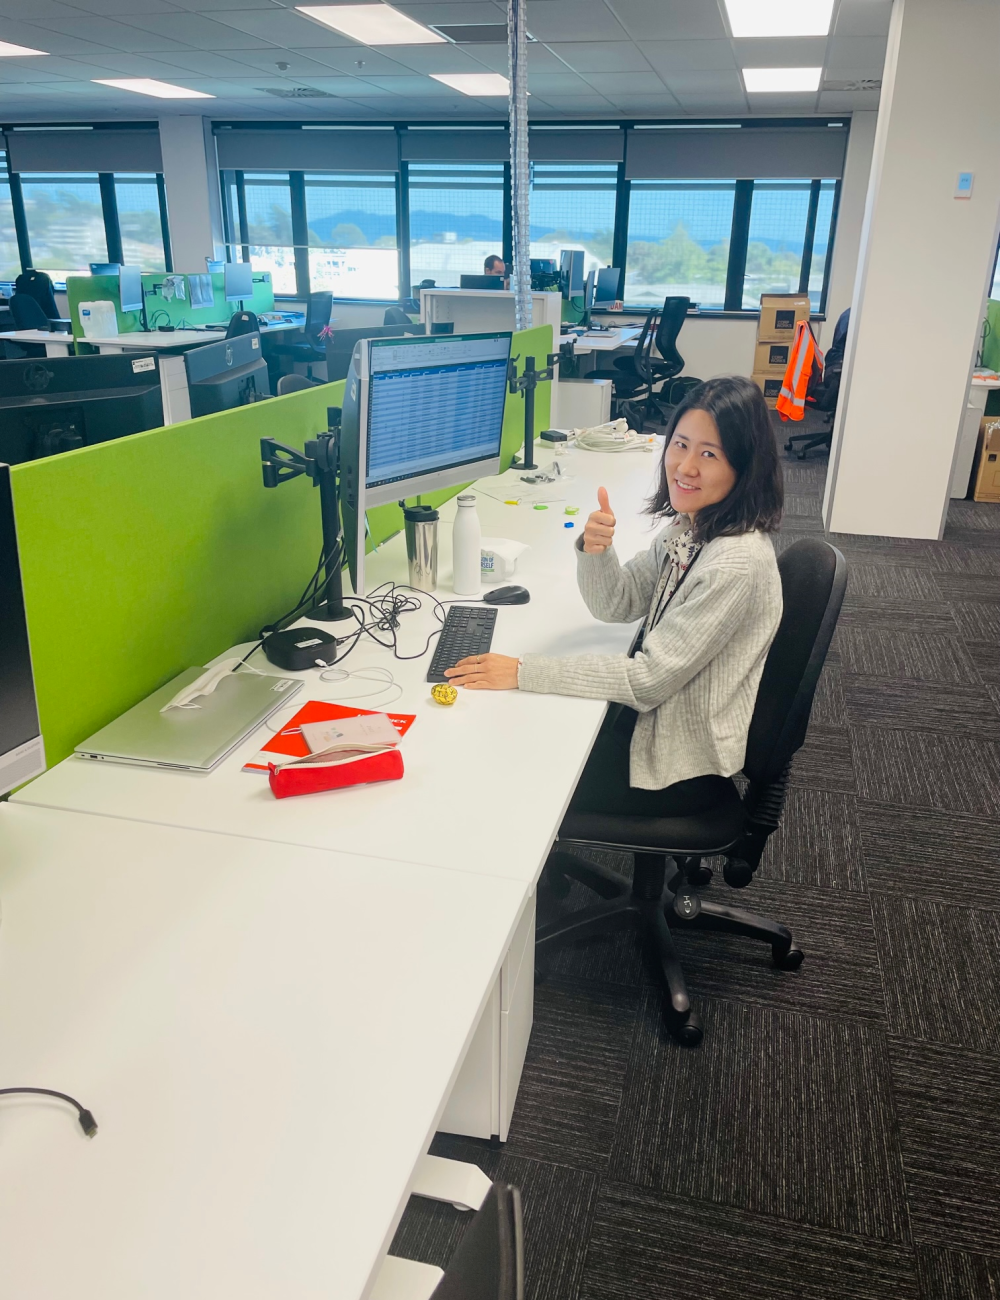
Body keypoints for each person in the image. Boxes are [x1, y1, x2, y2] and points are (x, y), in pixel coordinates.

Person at [444, 375, 784, 817]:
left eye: (709, 454)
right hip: (660, 721)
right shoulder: (692, 528)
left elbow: (646, 682)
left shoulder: (734, 563)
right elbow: (617, 604)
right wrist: (595, 550)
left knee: (507, 769)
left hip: (680, 760)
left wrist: (522, 671)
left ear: (744, 466)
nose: (684, 467)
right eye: (680, 444)